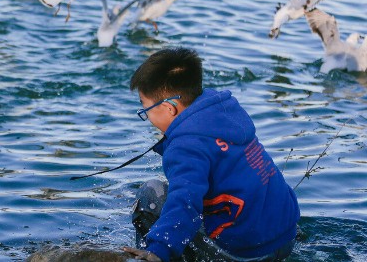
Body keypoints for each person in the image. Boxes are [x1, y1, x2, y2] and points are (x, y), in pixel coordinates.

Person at [121, 47, 299, 261]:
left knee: (150, 192)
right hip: (286, 236)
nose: (147, 116)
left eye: (145, 109)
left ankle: (149, 256)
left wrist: (160, 250)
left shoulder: (186, 146)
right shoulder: (222, 109)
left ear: (169, 108)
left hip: (249, 254)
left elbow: (185, 202)